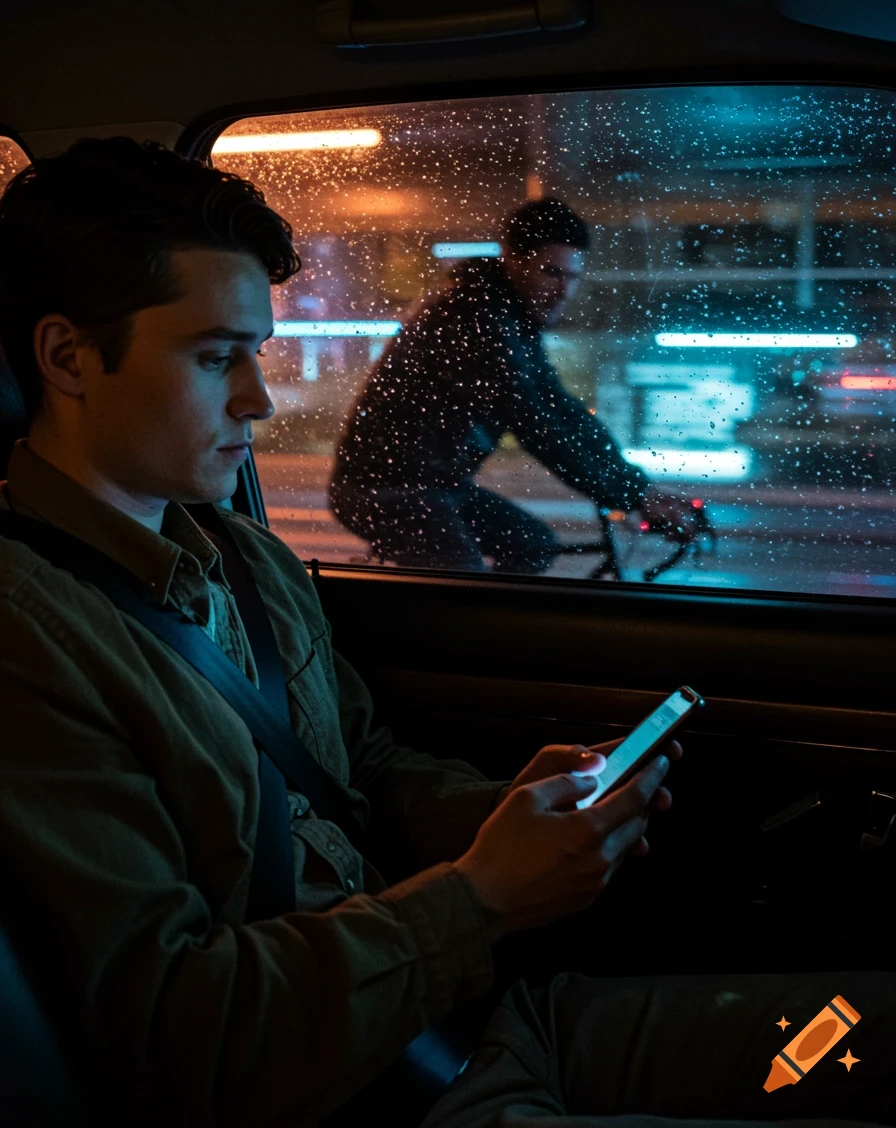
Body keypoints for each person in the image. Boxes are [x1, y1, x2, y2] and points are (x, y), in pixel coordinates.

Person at [0, 141, 893, 1128]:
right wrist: (481, 897)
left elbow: (357, 770)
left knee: (863, 1031)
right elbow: (182, 1034)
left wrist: (494, 814)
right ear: (67, 356)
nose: (258, 397)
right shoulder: (27, 638)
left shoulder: (243, 558)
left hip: (474, 1021)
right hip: (369, 1091)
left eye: (256, 351)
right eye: (217, 358)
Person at [329, 198, 699, 574]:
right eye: (552, 272)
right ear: (513, 259)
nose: (564, 290)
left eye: (572, 276)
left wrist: (638, 487)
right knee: (464, 578)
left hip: (437, 485)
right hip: (383, 489)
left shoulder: (512, 321)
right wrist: (630, 495)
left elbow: (559, 408)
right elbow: (533, 420)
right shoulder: (472, 317)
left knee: (534, 545)